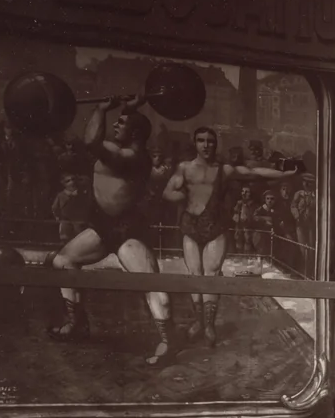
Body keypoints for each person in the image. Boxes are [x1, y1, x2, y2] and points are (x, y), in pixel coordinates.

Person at [48, 96, 174, 365]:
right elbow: (119, 134)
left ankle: (167, 342)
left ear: (136, 133)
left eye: (122, 123)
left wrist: (101, 109)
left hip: (128, 231)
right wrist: (129, 108)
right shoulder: (124, 148)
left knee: (153, 286)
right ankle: (77, 323)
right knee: (63, 261)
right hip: (103, 225)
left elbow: (92, 142)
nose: (116, 124)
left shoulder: (133, 157)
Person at [163, 126, 298, 346]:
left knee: (212, 275)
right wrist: (182, 196)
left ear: (215, 144)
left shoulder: (224, 170)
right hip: (191, 227)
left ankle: (209, 325)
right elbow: (167, 192)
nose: (206, 145)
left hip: (215, 228)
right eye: (201, 140)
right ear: (195, 143)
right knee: (195, 275)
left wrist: (284, 174)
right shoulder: (184, 168)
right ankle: (198, 321)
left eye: (210, 141)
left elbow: (253, 173)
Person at [51, 173, 91, 242]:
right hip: (65, 221)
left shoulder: (81, 194)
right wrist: (57, 216)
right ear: (63, 183)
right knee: (65, 238)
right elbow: (55, 207)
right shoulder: (61, 195)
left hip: (78, 221)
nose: (71, 182)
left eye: (73, 180)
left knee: (79, 238)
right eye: (68, 181)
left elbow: (86, 206)